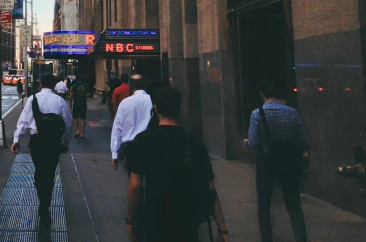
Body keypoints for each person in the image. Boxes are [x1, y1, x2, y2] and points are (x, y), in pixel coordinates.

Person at [124, 86, 229, 242]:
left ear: (156, 108)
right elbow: (209, 187)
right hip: (187, 220)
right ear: (180, 109)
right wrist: (222, 229)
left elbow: (135, 185)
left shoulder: (143, 140)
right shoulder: (194, 143)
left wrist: (130, 220)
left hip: (155, 218)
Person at [247, 80, 310, 242]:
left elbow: (253, 143)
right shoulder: (292, 113)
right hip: (289, 162)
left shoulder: (257, 114)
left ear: (262, 95)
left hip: (267, 163)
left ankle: (267, 238)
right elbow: (304, 140)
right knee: (294, 204)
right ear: (277, 94)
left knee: (264, 204)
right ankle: (301, 238)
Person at [11, 74, 72, 225]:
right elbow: (68, 123)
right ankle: (46, 203)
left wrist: (16, 140)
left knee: (39, 170)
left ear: (40, 84)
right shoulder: (59, 100)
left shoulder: (32, 99)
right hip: (54, 142)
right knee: (50, 171)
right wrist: (66, 141)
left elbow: (23, 121)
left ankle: (41, 196)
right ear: (53, 86)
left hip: (37, 141)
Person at [111, 75, 152, 175]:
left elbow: (117, 128)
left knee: (134, 178)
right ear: (145, 85)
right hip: (150, 145)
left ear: (131, 86)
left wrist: (115, 153)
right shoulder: (152, 100)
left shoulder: (125, 103)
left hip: (131, 148)